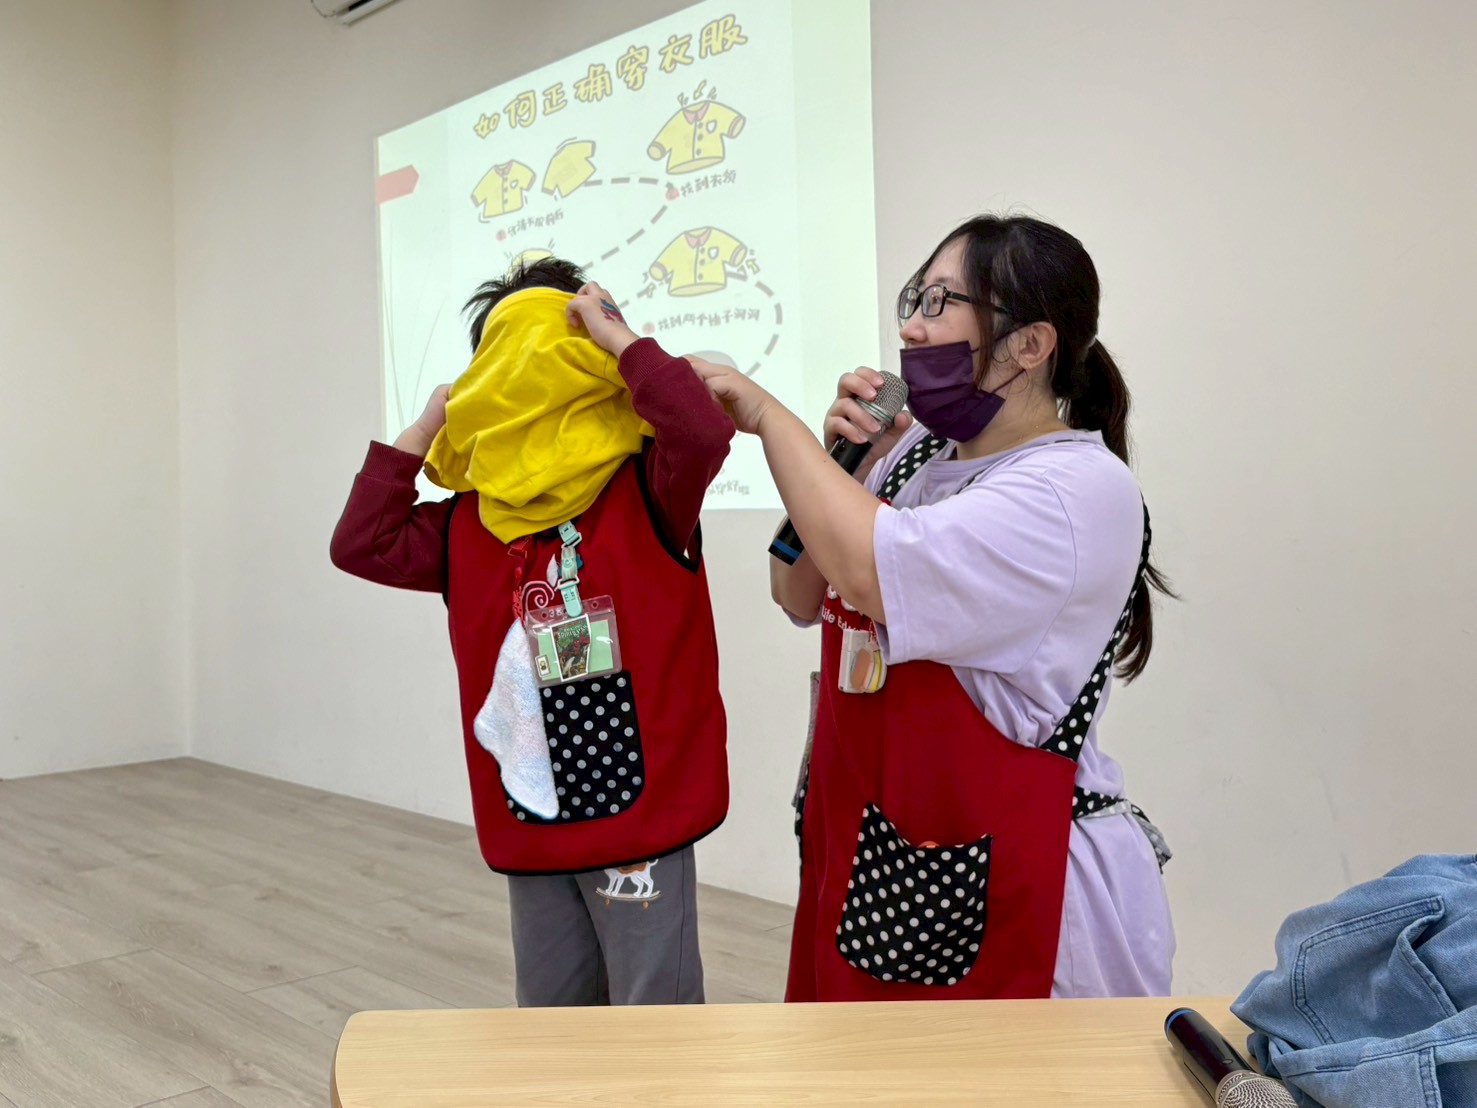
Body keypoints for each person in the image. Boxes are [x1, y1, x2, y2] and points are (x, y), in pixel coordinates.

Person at [693, 215, 1175, 1000]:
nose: (911, 328)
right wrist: (842, 467)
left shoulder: (1075, 487)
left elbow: (870, 573)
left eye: (940, 301)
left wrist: (767, 419)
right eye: (913, 299)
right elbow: (796, 590)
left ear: (1029, 344)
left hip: (1020, 886)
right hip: (884, 856)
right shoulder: (913, 453)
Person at [330, 258, 734, 1006]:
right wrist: (427, 426)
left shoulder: (645, 485)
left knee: (658, 1020)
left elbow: (702, 430)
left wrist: (620, 342)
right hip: (533, 816)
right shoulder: (467, 522)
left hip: (640, 821)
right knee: (549, 1016)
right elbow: (362, 543)